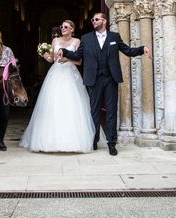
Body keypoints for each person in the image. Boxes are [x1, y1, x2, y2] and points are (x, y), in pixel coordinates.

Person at [59, 12, 150, 156]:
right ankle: (94, 140)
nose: (93, 21)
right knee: (94, 111)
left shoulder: (114, 37)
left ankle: (111, 143)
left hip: (110, 78)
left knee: (111, 111)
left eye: (96, 19)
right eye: (92, 20)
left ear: (104, 21)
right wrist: (64, 51)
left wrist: (141, 49)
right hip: (93, 79)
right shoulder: (86, 38)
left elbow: (127, 50)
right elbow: (77, 55)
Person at [20, 20, 95, 153]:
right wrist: (44, 54)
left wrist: (68, 59)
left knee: (71, 104)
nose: (63, 29)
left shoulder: (77, 42)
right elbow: (52, 59)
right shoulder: (55, 41)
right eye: (61, 27)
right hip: (55, 74)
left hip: (71, 75)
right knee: (53, 104)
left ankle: (73, 141)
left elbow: (79, 61)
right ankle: (49, 141)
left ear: (72, 29)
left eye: (66, 27)